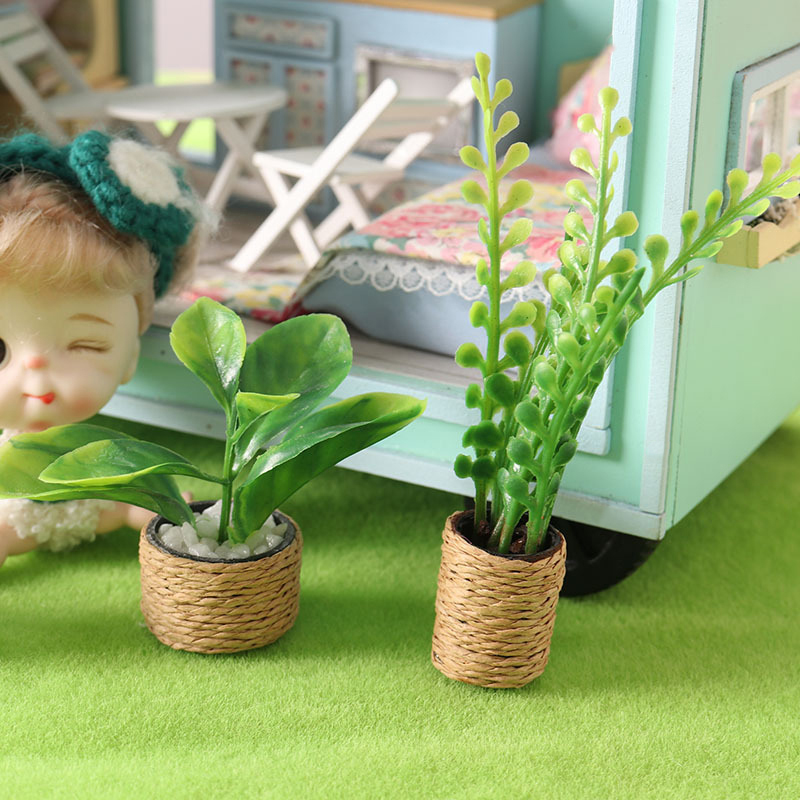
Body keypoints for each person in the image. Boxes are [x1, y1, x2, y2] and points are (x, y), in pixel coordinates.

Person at [0, 129, 209, 566]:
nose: (35, 375)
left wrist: (144, 501)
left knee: (129, 502)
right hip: (11, 518)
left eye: (85, 345)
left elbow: (121, 476)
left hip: (97, 509)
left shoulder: (102, 450)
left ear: (131, 355)